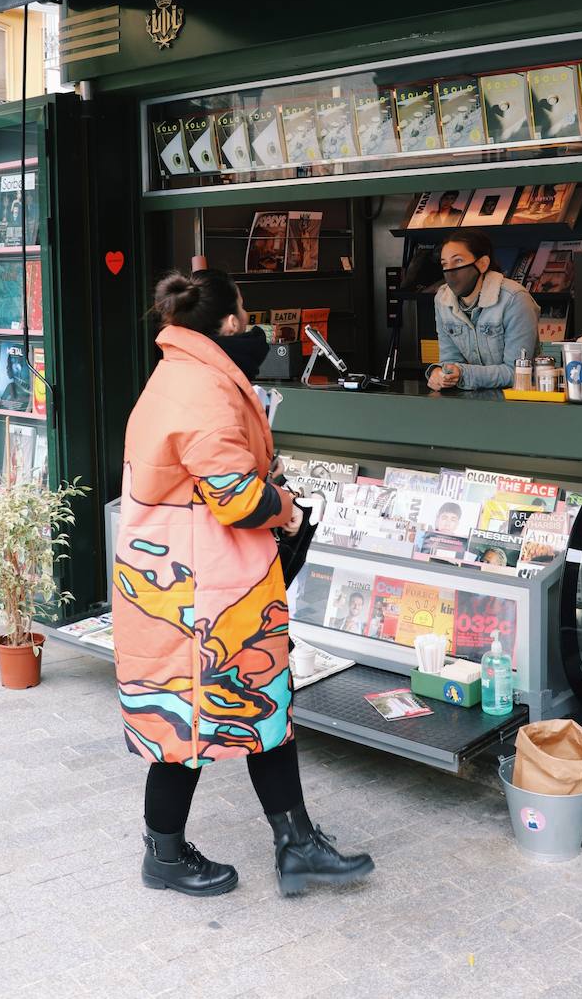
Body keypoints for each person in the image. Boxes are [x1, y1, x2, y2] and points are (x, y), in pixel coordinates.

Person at [112, 267, 374, 899]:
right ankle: (167, 856)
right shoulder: (202, 390)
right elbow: (236, 498)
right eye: (247, 314)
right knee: (189, 726)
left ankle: (296, 844)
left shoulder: (183, 375)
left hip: (196, 586)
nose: (254, 326)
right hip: (201, 595)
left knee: (256, 712)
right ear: (228, 322)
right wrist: (284, 505)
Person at [426, 231, 539, 392]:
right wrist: (442, 374)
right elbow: (450, 361)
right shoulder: (442, 299)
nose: (450, 270)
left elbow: (517, 373)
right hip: (471, 402)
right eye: (445, 264)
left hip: (517, 403)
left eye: (458, 261)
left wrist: (462, 374)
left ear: (483, 264)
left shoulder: (514, 299)